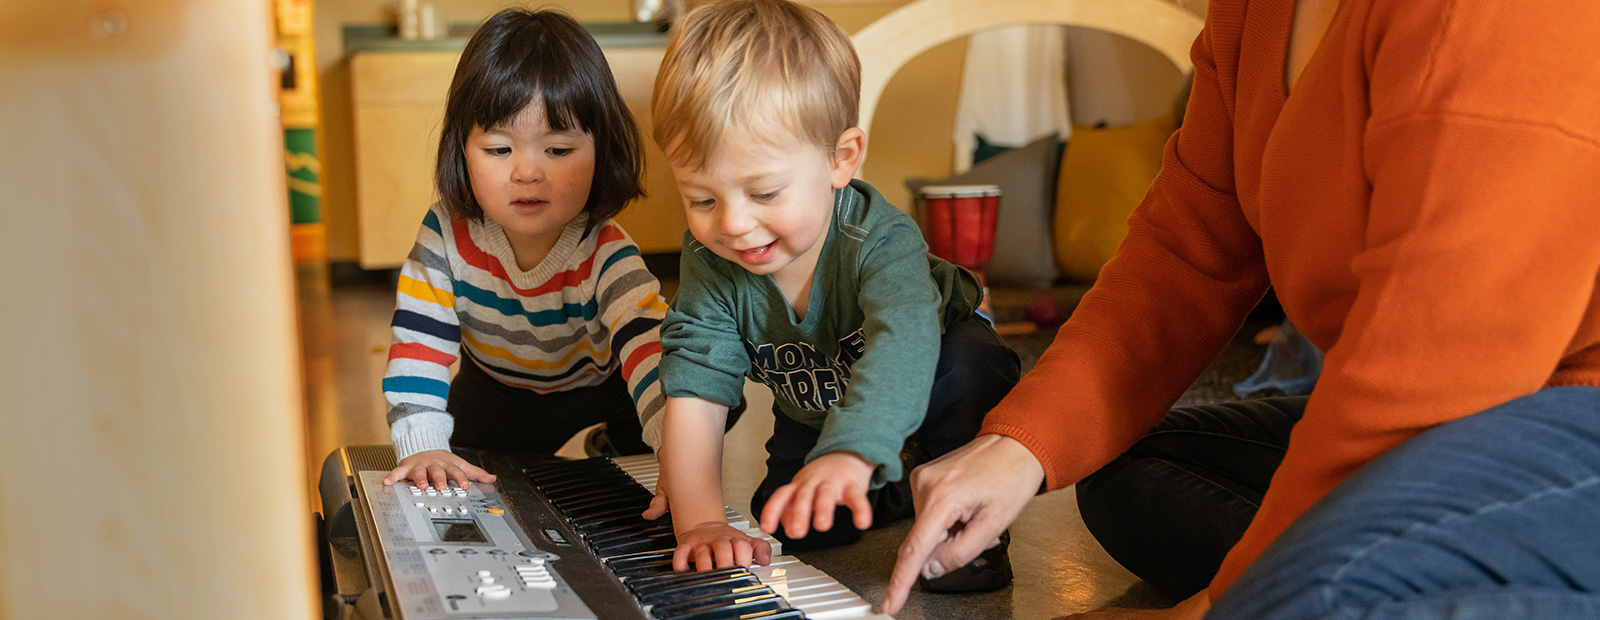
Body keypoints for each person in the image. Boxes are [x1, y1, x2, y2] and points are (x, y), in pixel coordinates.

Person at [882, 0, 1600, 616]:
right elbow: (1187, 249)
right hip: (1460, 420)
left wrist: (1223, 601)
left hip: (1553, 410)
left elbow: (1443, 368)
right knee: (1136, 473)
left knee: (1302, 590)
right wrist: (1021, 444)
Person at [640, 0, 1022, 591]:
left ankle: (962, 518)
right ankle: (891, 479)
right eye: (703, 199)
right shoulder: (712, 262)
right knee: (799, 527)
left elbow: (903, 348)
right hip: (817, 403)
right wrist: (701, 523)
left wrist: (851, 450)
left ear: (841, 159)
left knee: (971, 365)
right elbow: (695, 386)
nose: (735, 224)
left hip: (931, 377)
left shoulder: (880, 239)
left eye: (764, 193)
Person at [380, 8, 666, 492]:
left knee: (701, 395)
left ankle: (617, 445)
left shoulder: (606, 249)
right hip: (497, 392)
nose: (527, 173)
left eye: (557, 150)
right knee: (472, 469)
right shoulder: (446, 235)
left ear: (603, 151)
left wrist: (678, 453)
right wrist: (423, 444)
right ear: (460, 149)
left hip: (602, 388)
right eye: (498, 150)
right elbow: (419, 342)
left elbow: (650, 349)